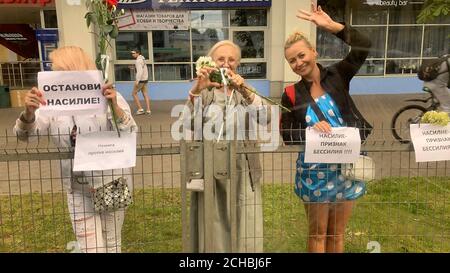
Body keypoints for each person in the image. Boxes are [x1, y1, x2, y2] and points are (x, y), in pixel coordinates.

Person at [13, 46, 138, 253]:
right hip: (77, 188)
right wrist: (29, 113)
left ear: (73, 70)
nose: (53, 75)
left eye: (57, 70)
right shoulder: (49, 103)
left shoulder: (105, 95)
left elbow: (130, 130)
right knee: (91, 249)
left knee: (112, 245)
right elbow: (26, 136)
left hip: (111, 182)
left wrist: (113, 106)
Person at [280, 5, 372, 253]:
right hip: (314, 172)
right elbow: (287, 135)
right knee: (318, 234)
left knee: (337, 235)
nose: (298, 63)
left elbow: (364, 45)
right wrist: (311, 130)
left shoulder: (338, 75)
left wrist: (333, 27)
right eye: (292, 60)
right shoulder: (290, 94)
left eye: (301, 55)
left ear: (314, 51)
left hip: (346, 167)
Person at [185, 40, 270, 252]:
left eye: (231, 59)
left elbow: (266, 117)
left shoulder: (244, 88)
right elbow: (188, 122)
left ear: (238, 64)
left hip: (242, 167)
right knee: (214, 218)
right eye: (220, 59)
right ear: (212, 63)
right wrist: (197, 90)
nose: (226, 63)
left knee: (244, 216)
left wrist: (245, 90)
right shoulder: (205, 91)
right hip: (211, 167)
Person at [131, 49, 151, 115]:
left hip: (141, 80)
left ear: (138, 53)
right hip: (145, 79)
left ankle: (140, 109)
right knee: (145, 93)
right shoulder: (142, 59)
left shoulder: (138, 61)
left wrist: (137, 81)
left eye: (134, 53)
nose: (132, 54)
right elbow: (143, 69)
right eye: (132, 53)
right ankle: (148, 110)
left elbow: (140, 72)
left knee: (134, 93)